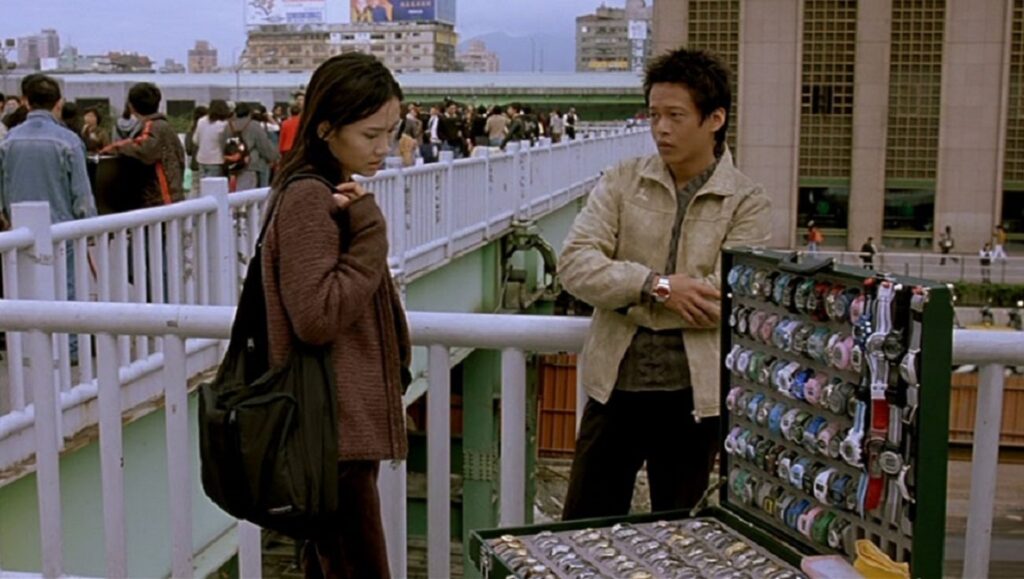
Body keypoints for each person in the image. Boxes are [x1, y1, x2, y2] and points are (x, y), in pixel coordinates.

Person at [558, 47, 770, 519]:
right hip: (614, 387)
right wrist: (658, 286)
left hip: (694, 397)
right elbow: (574, 265)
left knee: (680, 536)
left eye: (675, 116)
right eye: (654, 115)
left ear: (714, 119)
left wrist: (623, 295)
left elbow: (729, 299)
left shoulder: (746, 201)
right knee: (583, 527)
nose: (661, 129)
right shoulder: (622, 180)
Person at [262, 52, 409, 578]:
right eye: (370, 134)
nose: (383, 147)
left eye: (391, 132)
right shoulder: (309, 197)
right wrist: (371, 233)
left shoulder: (321, 188)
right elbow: (317, 315)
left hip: (332, 425)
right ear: (326, 128)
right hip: (332, 432)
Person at [0, 74, 97, 360]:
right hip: (60, 225)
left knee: (22, 286)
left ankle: (26, 347)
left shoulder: (9, 140)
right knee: (66, 286)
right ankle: (70, 347)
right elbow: (81, 193)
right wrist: (89, 224)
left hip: (19, 228)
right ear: (59, 103)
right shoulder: (68, 140)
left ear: (27, 102)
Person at [103, 82, 185, 206]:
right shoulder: (165, 126)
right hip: (173, 193)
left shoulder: (152, 125)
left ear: (131, 106)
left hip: (162, 196)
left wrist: (116, 147)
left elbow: (146, 149)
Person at [223, 102, 279, 190]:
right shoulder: (254, 125)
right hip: (250, 164)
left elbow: (223, 143)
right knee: (246, 194)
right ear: (249, 113)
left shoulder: (228, 126)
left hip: (232, 164)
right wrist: (273, 156)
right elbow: (264, 145)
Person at [192, 99, 231, 180]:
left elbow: (195, 140)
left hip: (201, 159)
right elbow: (226, 144)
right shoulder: (224, 124)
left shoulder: (201, 121)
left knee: (203, 185)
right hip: (216, 160)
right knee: (213, 185)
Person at [185, 105, 208, 196]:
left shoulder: (190, 131)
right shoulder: (207, 130)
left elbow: (188, 150)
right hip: (207, 162)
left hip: (194, 164)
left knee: (194, 188)